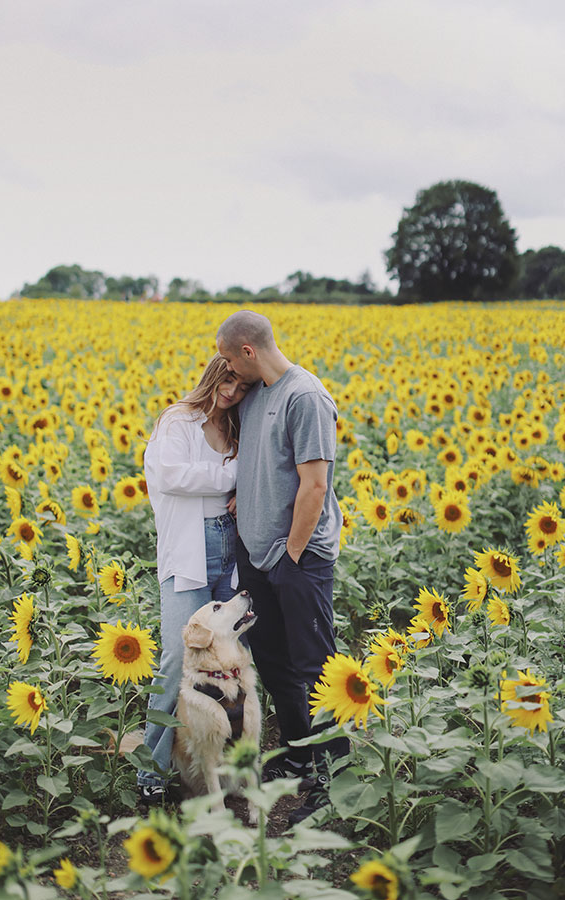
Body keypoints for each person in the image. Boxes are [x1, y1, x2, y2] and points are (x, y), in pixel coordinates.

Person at [216, 310, 350, 825]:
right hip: (258, 556)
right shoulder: (257, 397)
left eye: (228, 358)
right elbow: (264, 466)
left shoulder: (305, 396)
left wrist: (291, 558)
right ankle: (298, 757)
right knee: (274, 664)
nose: (226, 369)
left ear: (248, 351)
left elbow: (315, 485)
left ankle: (333, 787)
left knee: (317, 669)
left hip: (298, 558)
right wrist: (244, 501)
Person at [137, 354, 250, 802]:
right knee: (176, 660)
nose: (232, 392)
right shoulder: (178, 421)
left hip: (229, 544)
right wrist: (232, 476)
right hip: (189, 547)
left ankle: (229, 771)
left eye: (242, 387)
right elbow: (171, 475)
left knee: (234, 659)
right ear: (212, 375)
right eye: (227, 381)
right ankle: (152, 774)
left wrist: (242, 484)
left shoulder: (239, 426)